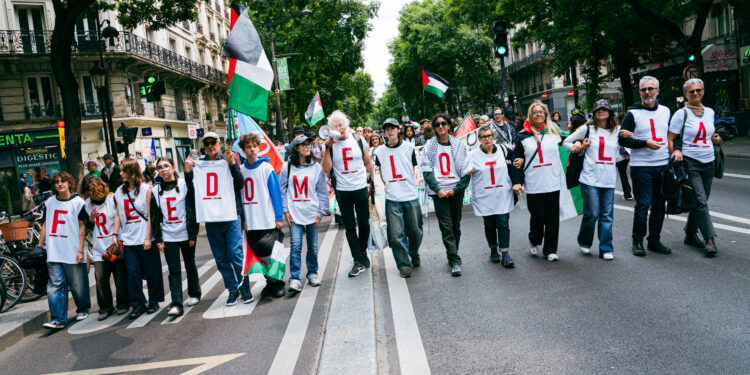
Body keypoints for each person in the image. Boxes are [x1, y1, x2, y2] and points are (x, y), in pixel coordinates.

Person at [185, 132, 251, 305]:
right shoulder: (199, 165)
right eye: (206, 143)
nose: (210, 146)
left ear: (219, 143)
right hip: (212, 218)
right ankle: (232, 289)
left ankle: (245, 288)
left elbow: (240, 184)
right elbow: (192, 192)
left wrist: (232, 165)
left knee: (235, 254)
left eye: (212, 142)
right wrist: (187, 172)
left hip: (230, 215)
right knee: (221, 258)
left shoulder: (228, 159)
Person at [619, 76, 672, 257]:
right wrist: (645, 143)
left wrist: (676, 151)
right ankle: (637, 240)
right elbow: (622, 140)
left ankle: (654, 241)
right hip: (641, 166)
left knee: (659, 205)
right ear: (639, 92)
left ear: (657, 90)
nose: (647, 92)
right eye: (643, 90)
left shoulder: (666, 111)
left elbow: (673, 136)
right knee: (643, 205)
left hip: (663, 166)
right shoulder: (632, 114)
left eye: (650, 89)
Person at [668, 78, 721, 256]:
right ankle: (709, 239)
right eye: (692, 91)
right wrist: (676, 151)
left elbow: (710, 133)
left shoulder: (710, 112)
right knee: (700, 200)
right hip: (691, 162)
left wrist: (716, 138)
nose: (696, 93)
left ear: (703, 92)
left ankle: (690, 234)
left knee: (701, 200)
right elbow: (671, 138)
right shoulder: (681, 114)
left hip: (709, 161)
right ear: (686, 94)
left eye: (698, 90)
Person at [563, 99, 620, 260]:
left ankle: (606, 248)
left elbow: (625, 148)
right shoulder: (587, 129)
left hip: (608, 178)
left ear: (610, 112)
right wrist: (578, 147)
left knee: (607, 215)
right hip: (589, 178)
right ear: (594, 113)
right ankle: (584, 240)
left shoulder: (617, 130)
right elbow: (566, 141)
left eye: (604, 108)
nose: (601, 111)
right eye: (598, 109)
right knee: (593, 213)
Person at [322, 110, 375, 277]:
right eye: (335, 126)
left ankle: (362, 251)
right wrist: (327, 148)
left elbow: (367, 161)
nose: (339, 128)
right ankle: (358, 259)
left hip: (360, 187)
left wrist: (373, 182)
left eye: (341, 125)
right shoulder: (330, 145)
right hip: (343, 190)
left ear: (346, 125)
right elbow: (326, 169)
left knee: (364, 223)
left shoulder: (358, 139)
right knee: (350, 226)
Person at [511, 101, 565, 262]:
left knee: (552, 219)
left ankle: (550, 250)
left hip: (553, 182)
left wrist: (578, 144)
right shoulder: (522, 136)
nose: (538, 114)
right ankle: (534, 238)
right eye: (534, 112)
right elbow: (516, 160)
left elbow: (568, 144)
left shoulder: (554, 132)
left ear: (546, 114)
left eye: (541, 111)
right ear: (530, 116)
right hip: (534, 184)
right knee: (538, 216)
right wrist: (517, 181)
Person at [38, 172, 91, 329]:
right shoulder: (49, 202)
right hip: (54, 250)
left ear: (69, 183)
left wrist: (81, 250)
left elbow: (82, 226)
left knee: (77, 284)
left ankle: (83, 309)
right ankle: (57, 319)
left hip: (72, 249)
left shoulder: (78, 202)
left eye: (63, 181)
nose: (60, 184)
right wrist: (41, 244)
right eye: (57, 182)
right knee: (55, 285)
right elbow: (46, 224)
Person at [421, 113, 470, 276]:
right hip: (439, 191)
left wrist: (456, 189)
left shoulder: (459, 145)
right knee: (446, 226)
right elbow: (427, 171)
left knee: (456, 225)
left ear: (449, 125)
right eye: (437, 125)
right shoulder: (429, 146)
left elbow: (466, 171)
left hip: (455, 190)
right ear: (434, 128)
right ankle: (455, 260)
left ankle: (452, 253)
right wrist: (437, 189)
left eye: (444, 123)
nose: (441, 126)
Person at [151, 157, 201, 316]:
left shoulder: (184, 185)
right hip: (168, 235)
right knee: (174, 269)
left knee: (190, 264)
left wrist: (193, 233)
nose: (163, 170)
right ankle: (177, 303)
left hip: (186, 233)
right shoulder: (155, 191)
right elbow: (154, 216)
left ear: (173, 167)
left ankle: (194, 293)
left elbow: (192, 209)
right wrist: (158, 238)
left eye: (166, 166)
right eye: (160, 167)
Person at [115, 158, 164, 319]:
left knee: (152, 271)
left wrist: (148, 237)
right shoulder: (119, 192)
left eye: (123, 170)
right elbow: (118, 214)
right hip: (128, 240)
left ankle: (154, 300)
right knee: (132, 273)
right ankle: (137, 304)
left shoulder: (145, 190)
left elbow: (151, 215)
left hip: (144, 238)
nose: (120, 173)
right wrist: (115, 235)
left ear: (131, 172)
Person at [238, 133, 286, 298]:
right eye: (248, 147)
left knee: (271, 254)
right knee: (258, 255)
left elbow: (275, 194)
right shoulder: (241, 170)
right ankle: (269, 282)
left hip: (266, 219)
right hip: (251, 221)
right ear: (243, 150)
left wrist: (278, 216)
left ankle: (278, 283)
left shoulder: (267, 168)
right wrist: (243, 219)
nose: (252, 150)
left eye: (254, 146)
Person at [280, 134, 329, 292]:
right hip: (294, 212)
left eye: (309, 144)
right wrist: (285, 210)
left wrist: (321, 212)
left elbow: (322, 191)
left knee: (313, 246)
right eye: (304, 144)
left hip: (312, 211)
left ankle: (312, 273)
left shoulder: (316, 167)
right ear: (296, 148)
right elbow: (282, 190)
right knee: (295, 246)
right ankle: (295, 278)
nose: (308, 147)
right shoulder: (287, 167)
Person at [374, 119, 423, 278]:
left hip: (409, 195)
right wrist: (389, 185)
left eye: (392, 128)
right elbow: (381, 171)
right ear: (384, 132)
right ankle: (403, 265)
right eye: (386, 129)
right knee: (396, 234)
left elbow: (414, 168)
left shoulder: (409, 148)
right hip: (392, 198)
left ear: (398, 130)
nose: (390, 131)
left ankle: (414, 252)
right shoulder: (380, 151)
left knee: (415, 231)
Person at [81, 176, 129, 320]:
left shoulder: (112, 199)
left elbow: (120, 218)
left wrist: (118, 237)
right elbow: (88, 226)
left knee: (120, 277)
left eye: (93, 191)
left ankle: (123, 303)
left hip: (115, 244)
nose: (91, 195)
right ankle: (105, 306)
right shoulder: (87, 204)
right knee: (101, 278)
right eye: (88, 192)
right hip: (99, 247)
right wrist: (91, 218)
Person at [468, 125, 515, 267]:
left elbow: (515, 164)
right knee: (489, 225)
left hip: (502, 194)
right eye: (483, 137)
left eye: (489, 136)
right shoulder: (472, 156)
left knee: (503, 223)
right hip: (484, 196)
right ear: (479, 139)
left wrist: (517, 181)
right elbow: (464, 171)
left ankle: (505, 254)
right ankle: (493, 249)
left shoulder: (503, 150)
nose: (487, 139)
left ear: (493, 137)